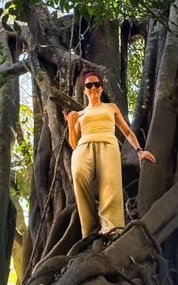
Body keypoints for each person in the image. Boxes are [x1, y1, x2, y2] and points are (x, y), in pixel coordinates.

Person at [65, 70, 156, 237]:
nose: (93, 88)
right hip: (83, 146)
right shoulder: (80, 114)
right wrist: (71, 125)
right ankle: (90, 230)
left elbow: (127, 132)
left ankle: (111, 228)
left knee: (110, 183)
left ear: (101, 88)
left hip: (108, 145)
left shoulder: (111, 107)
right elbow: (73, 144)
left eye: (97, 84)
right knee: (79, 176)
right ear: (84, 90)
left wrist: (139, 151)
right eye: (89, 85)